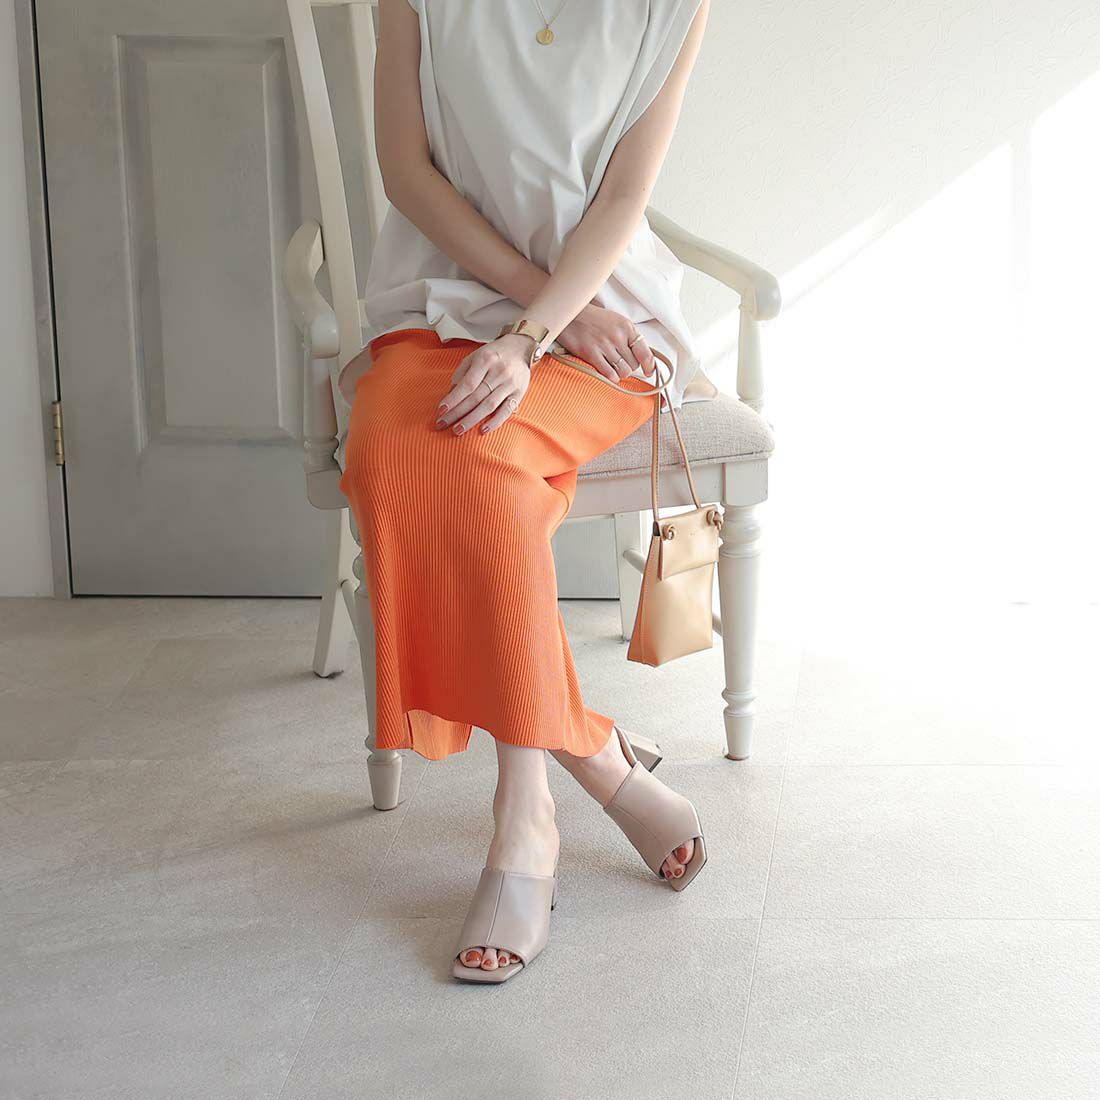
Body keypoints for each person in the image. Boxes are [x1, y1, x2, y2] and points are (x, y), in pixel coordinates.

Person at [338, 0, 715, 984]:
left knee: (481, 460)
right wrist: (523, 318)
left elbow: (623, 196)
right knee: (391, 454)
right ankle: (594, 756)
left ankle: (523, 816)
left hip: (603, 317)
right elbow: (407, 173)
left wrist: (540, 329)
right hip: (443, 298)